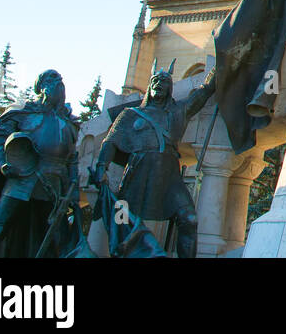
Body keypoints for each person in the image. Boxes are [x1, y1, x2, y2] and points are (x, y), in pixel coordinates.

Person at [92, 60, 215, 258]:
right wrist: (101, 167)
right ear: (150, 86)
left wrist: (223, 59)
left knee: (189, 219)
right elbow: (111, 142)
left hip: (169, 175)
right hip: (138, 172)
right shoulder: (130, 114)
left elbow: (205, 91)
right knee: (123, 224)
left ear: (170, 88)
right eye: (155, 81)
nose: (159, 84)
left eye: (164, 82)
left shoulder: (178, 111)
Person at [0, 69, 80, 258]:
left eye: (59, 80)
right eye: (51, 80)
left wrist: (74, 190)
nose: (58, 83)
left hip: (55, 184)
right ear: (41, 87)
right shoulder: (24, 113)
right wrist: (2, 163)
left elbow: (73, 158)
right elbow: (0, 136)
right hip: (23, 177)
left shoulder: (68, 122)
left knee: (57, 237)